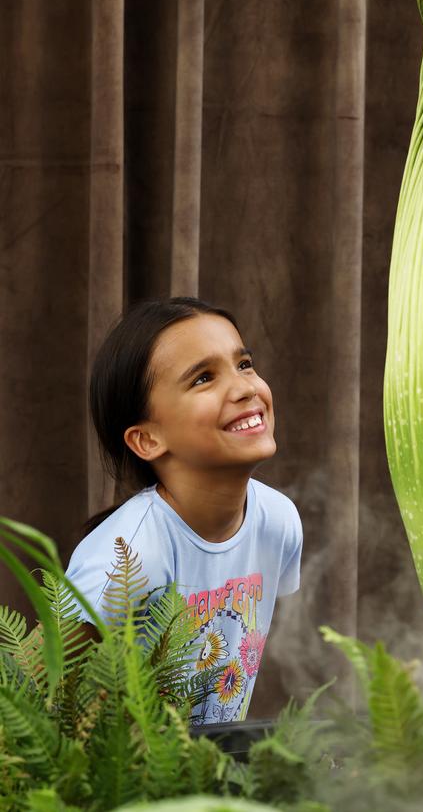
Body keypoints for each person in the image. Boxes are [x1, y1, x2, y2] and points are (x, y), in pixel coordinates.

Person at [65, 296, 303, 724]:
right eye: (203, 378)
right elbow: (38, 703)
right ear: (147, 439)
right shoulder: (125, 558)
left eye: (244, 364)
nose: (246, 387)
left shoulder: (280, 522)